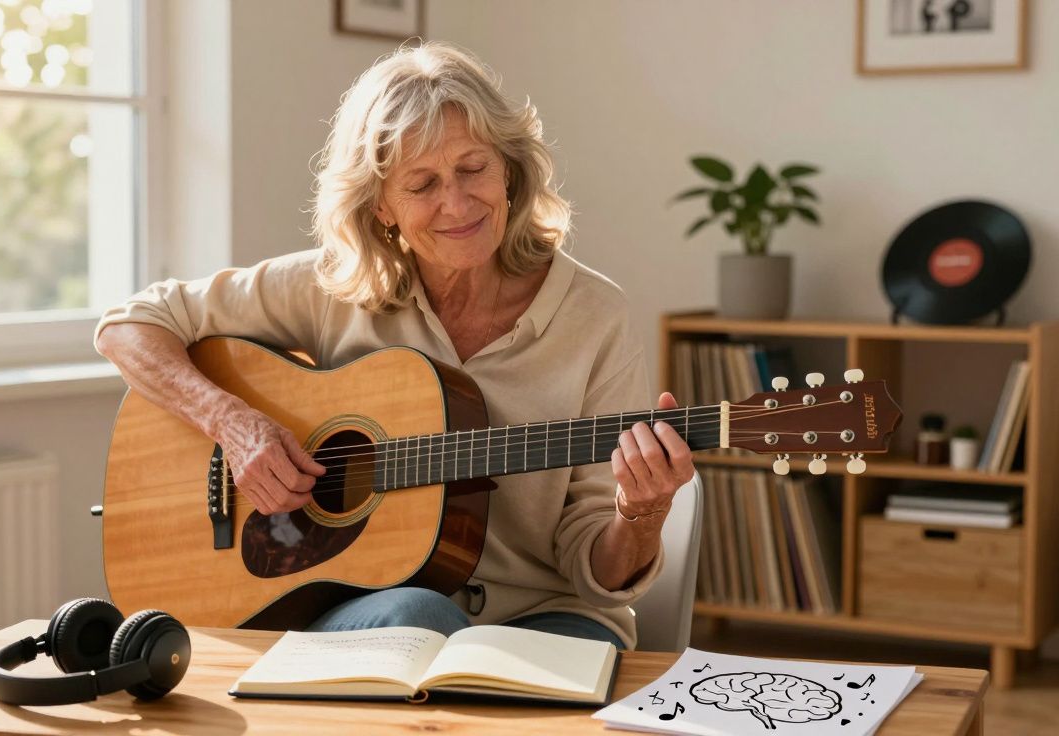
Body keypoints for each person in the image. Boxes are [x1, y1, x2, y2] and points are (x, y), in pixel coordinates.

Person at [94, 41, 695, 650]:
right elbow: (130, 324)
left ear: (509, 170)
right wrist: (231, 422)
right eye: (422, 183)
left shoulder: (593, 314)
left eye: (473, 168)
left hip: (547, 616)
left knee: (441, 628)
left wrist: (640, 513)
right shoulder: (332, 287)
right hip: (370, 609)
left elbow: (598, 572)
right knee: (415, 616)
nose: (456, 203)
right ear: (381, 204)